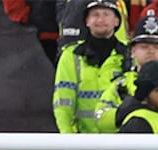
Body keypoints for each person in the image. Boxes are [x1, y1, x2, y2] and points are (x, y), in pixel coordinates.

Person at [53, 0, 130, 134]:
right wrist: (66, 137)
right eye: (95, 15)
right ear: (87, 21)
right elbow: (63, 100)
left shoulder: (129, 56)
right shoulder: (71, 55)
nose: (100, 19)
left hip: (120, 143)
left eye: (106, 14)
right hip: (83, 142)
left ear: (117, 21)